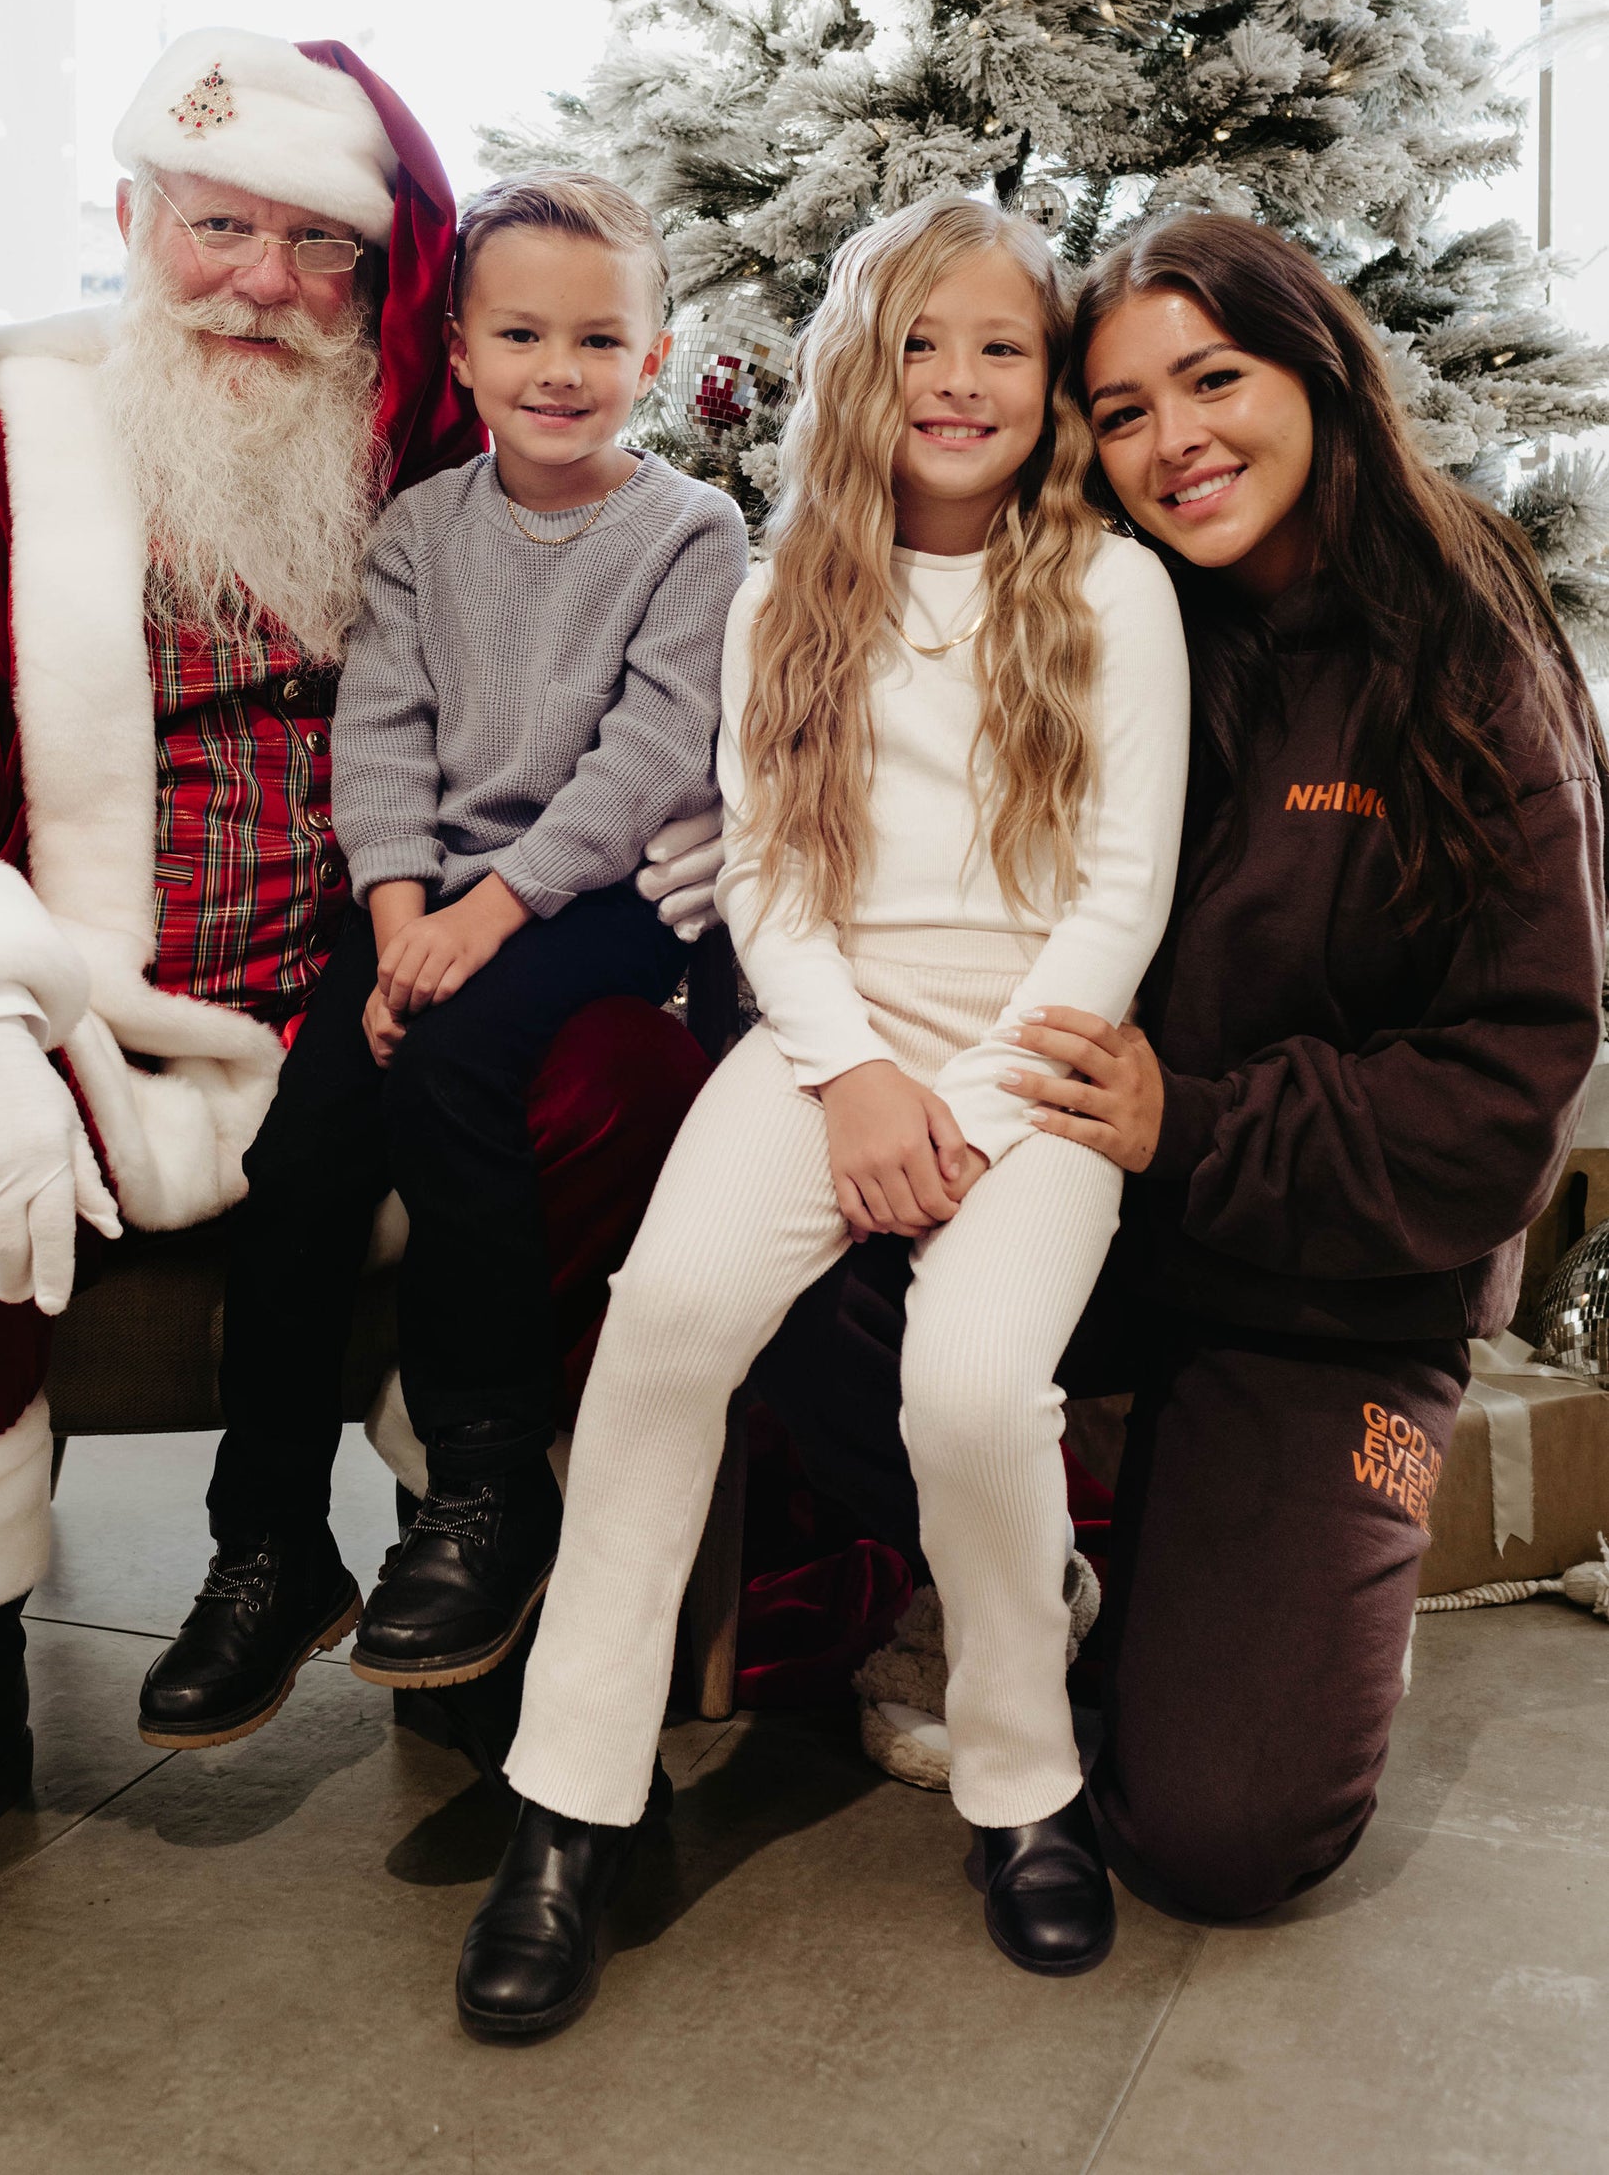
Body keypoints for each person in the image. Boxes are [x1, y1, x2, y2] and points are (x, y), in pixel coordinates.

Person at [0, 29, 720, 1941]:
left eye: (315, 246)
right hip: (87, 1014)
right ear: (130, 222)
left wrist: (704, 830)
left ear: (378, 279)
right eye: (215, 226)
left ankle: (487, 1569)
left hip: (372, 980)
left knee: (607, 1081)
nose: (261, 280)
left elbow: (647, 685)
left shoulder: (450, 457)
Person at [753, 211, 1607, 1925]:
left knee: (1224, 1838)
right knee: (777, 1293)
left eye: (1212, 380)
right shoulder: (1106, 606)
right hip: (1096, 1210)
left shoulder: (1466, 646)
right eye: (1124, 408)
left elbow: (1508, 1088)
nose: (1174, 441)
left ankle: (1235, 1563)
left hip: (1331, 1285)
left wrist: (1196, 1121)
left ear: (1318, 371)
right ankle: (1052, 1559)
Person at [455, 195, 1191, 2039]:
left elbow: (1119, 898)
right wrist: (851, 1073)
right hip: (819, 1044)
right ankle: (572, 1798)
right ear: (855, 366)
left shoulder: (1112, 591)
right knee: (666, 1326)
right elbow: (771, 878)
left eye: (1001, 349)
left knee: (965, 1384)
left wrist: (954, 1100)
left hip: (1028, 1066)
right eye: (917, 343)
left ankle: (1023, 1784)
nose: (954, 381)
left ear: (1046, 381)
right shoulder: (790, 585)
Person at [139, 173, 747, 1743]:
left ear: (656, 354)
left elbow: (651, 749)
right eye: (522, 333)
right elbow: (381, 731)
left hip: (594, 896)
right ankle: (266, 1534)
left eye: (598, 338)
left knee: (461, 1076)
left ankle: (485, 1484)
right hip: (424, 902)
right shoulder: (418, 530)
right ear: (460, 355)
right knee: (309, 1144)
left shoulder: (690, 529)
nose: (560, 368)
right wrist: (400, 908)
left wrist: (497, 913)